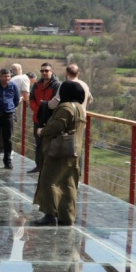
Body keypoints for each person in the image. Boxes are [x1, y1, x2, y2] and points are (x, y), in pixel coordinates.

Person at [32, 81, 87, 226]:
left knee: (49, 181)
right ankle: (67, 216)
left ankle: (50, 214)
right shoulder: (80, 108)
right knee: (69, 184)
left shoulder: (65, 107)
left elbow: (57, 126)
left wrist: (42, 131)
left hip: (58, 152)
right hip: (74, 151)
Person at [28, 62, 61, 174]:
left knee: (50, 145)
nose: (44, 73)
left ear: (51, 71)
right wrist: (38, 109)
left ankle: (48, 168)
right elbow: (31, 99)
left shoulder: (57, 85)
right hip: (37, 118)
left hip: (50, 120)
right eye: (42, 71)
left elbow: (57, 103)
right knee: (39, 144)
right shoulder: (37, 84)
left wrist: (44, 110)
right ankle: (39, 166)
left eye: (46, 70)